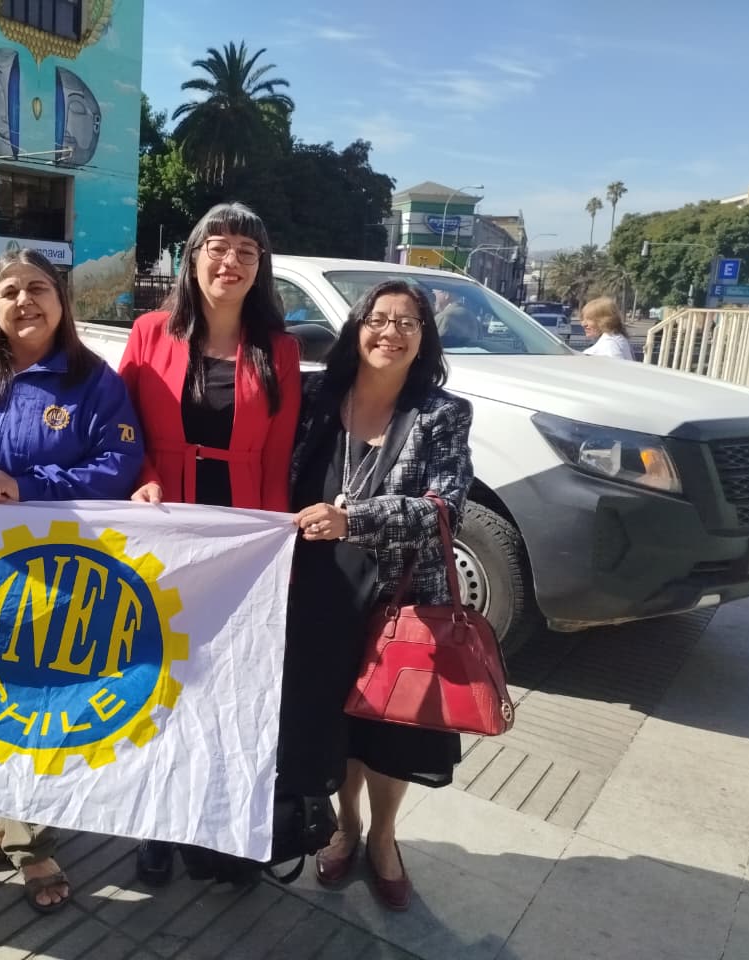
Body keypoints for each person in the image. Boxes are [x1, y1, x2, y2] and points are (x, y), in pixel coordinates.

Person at [0, 248, 144, 914]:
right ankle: (4, 817)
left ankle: (27, 838)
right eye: (10, 290)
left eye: (39, 288)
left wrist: (31, 486)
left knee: (46, 703)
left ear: (62, 302)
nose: (25, 301)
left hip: (62, 577)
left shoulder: (93, 381)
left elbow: (119, 462)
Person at [118, 200, 301, 886]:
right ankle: (153, 825)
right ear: (191, 259)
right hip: (166, 529)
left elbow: (279, 456)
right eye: (217, 248)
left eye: (246, 253)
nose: (231, 262)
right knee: (158, 680)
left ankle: (220, 829)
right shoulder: (147, 333)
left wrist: (277, 549)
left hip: (242, 536)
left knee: (229, 686)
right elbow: (123, 429)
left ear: (261, 269)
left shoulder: (278, 348)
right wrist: (142, 480)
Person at [291, 279, 474, 912]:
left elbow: (445, 506)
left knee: (393, 731)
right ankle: (348, 825)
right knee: (337, 725)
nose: (391, 332)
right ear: (357, 326)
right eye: (379, 318)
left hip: (401, 598)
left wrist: (356, 518)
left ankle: (386, 837)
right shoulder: (316, 396)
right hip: (319, 594)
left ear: (424, 339)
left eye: (408, 322)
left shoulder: (441, 414)